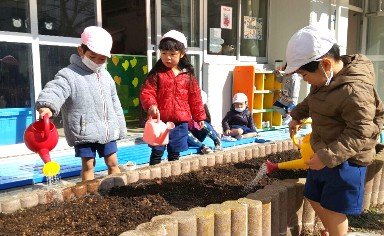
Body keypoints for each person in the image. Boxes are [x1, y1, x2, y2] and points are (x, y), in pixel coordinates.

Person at [286, 25, 384, 236]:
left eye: (304, 75)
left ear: (325, 64)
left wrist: (326, 157)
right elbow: (313, 100)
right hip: (325, 149)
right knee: (313, 195)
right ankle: (332, 230)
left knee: (334, 207)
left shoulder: (354, 90)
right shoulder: (324, 79)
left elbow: (360, 131)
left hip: (348, 158)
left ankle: (337, 232)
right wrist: (296, 115)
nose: (305, 80)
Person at [35, 26, 127, 181]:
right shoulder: (69, 74)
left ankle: (117, 189)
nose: (97, 62)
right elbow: (56, 88)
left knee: (112, 162)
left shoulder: (106, 76)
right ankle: (88, 196)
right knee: (88, 165)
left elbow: (114, 102)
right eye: (92, 56)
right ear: (80, 51)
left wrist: (119, 126)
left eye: (102, 59)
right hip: (84, 131)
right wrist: (47, 105)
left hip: (107, 130)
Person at [140, 30, 206, 165]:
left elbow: (195, 98)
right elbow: (147, 92)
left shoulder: (188, 75)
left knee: (174, 152)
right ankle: (153, 177)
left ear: (182, 54)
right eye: (163, 53)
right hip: (160, 121)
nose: (167, 58)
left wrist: (199, 117)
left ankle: (172, 178)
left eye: (172, 54)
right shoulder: (157, 74)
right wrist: (151, 105)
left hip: (180, 122)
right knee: (157, 151)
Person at [188, 90, 222, 154]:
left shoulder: (203, 112)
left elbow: (207, 124)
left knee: (204, 123)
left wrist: (215, 135)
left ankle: (217, 141)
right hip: (188, 138)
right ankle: (202, 147)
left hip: (198, 135)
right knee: (183, 131)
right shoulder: (185, 110)